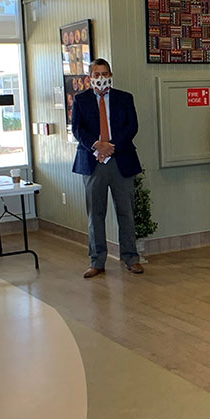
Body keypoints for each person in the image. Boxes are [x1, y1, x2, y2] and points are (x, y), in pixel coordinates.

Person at [72, 58, 144, 277]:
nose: (101, 78)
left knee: (126, 213)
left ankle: (131, 258)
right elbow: (77, 128)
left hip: (120, 160)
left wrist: (111, 147)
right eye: (97, 74)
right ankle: (97, 261)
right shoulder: (81, 100)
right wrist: (97, 145)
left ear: (110, 75)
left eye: (105, 74)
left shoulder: (124, 98)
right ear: (90, 77)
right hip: (93, 162)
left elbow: (132, 126)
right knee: (96, 214)